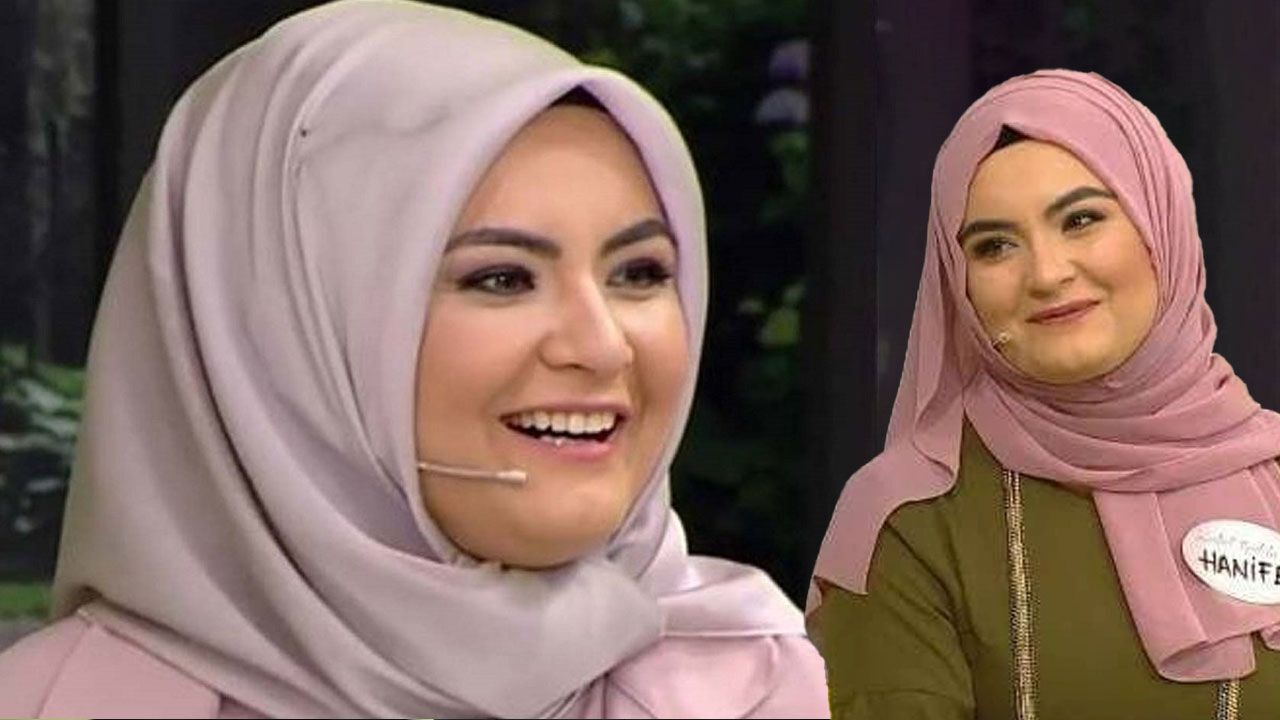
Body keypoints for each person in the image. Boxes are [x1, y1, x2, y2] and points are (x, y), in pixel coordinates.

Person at [0, 1, 828, 716]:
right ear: (281, 331)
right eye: (502, 278)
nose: (602, 344)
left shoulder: (764, 691)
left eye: (639, 273)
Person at [808, 69, 1280, 719]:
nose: (1048, 274)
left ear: (1160, 227)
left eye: (1081, 219)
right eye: (995, 246)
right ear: (959, 285)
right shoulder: (910, 518)